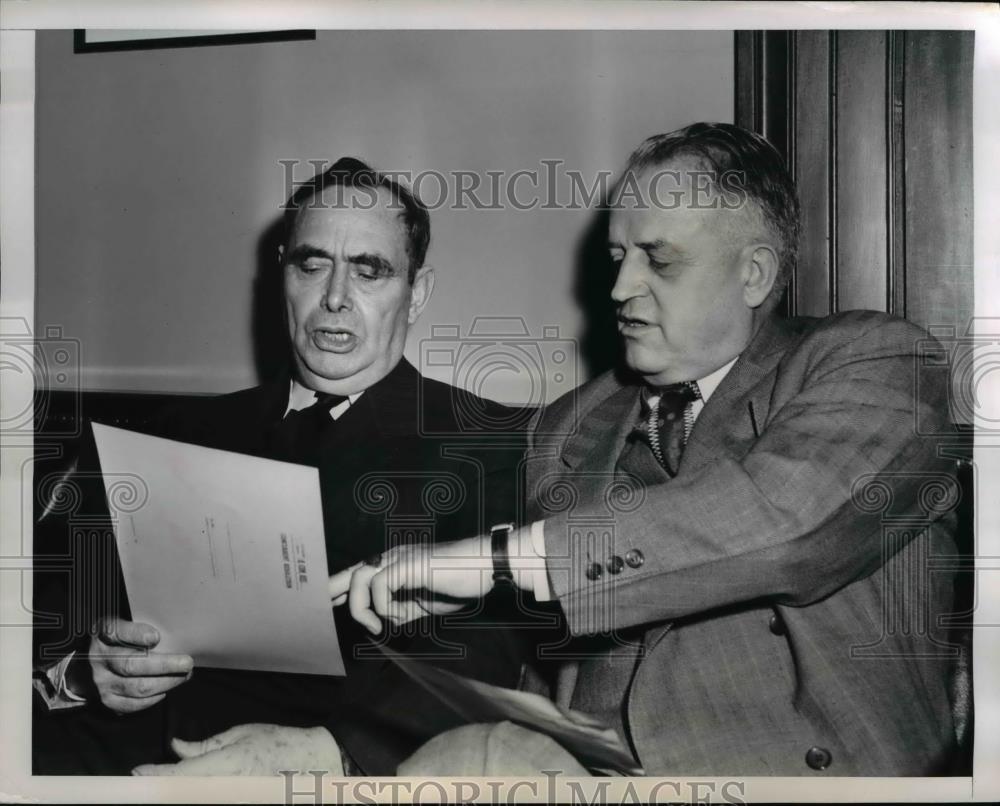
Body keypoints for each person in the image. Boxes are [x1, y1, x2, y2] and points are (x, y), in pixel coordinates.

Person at [333, 123, 964, 776]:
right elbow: (542, 662)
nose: (619, 288)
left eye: (658, 260)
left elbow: (786, 524)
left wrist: (494, 562)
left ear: (754, 274)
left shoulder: (879, 362)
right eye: (617, 258)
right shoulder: (571, 424)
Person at [32, 158, 527, 776]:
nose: (336, 298)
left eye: (369, 271)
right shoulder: (169, 434)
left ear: (417, 293)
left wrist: (337, 754)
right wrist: (81, 673)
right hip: (104, 766)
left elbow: (482, 661)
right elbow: (48, 626)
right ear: (281, 277)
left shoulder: (490, 444)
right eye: (312, 264)